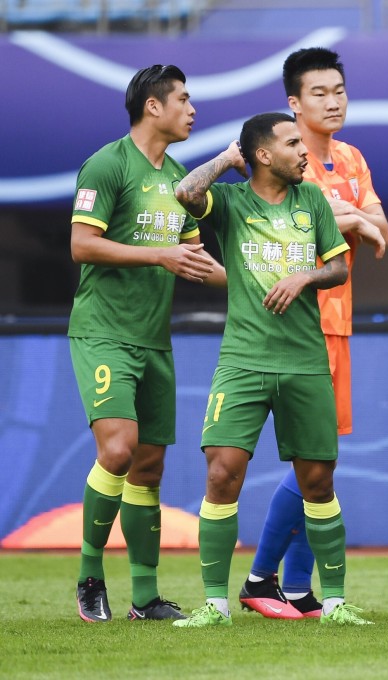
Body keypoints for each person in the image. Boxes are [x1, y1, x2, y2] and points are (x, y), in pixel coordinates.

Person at [171, 112, 370, 628]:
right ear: (262, 155)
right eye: (291, 143)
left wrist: (306, 276)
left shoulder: (313, 203)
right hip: (242, 360)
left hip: (305, 361)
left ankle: (335, 604)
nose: (304, 151)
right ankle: (214, 606)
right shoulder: (233, 203)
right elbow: (185, 194)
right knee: (221, 473)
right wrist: (226, 159)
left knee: (318, 480)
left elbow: (340, 266)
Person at [236, 47, 388, 621]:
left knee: (322, 461)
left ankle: (295, 587)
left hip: (338, 322)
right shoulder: (283, 170)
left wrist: (346, 217)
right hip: (292, 328)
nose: (333, 101)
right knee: (311, 463)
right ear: (293, 104)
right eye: (319, 93)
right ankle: (258, 578)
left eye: (340, 90)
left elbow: (383, 234)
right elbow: (333, 226)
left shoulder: (351, 158)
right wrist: (350, 218)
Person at [70, 64, 222, 623]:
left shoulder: (179, 178)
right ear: (152, 107)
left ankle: (143, 598)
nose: (192, 108)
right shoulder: (108, 164)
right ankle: (89, 576)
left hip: (154, 341)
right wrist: (159, 255)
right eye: (183, 98)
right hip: (103, 331)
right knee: (117, 449)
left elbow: (197, 262)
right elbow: (83, 245)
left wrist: (272, 280)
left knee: (149, 468)